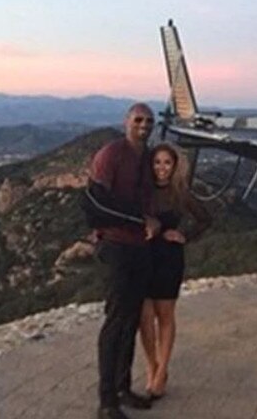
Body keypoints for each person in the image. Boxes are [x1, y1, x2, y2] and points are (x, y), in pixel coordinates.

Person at [84, 103, 161, 419]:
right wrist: (139, 220)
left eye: (149, 121)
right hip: (116, 246)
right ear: (126, 121)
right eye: (138, 120)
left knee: (131, 319)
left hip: (141, 248)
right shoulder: (111, 153)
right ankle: (106, 401)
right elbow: (96, 203)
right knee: (116, 320)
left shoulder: (147, 158)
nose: (144, 125)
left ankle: (123, 387)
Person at [139, 142, 212, 399]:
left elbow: (205, 218)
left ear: (175, 166)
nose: (161, 168)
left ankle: (161, 373)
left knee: (165, 315)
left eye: (167, 163)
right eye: (157, 162)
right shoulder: (143, 191)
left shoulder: (180, 193)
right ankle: (152, 366)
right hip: (144, 257)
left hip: (169, 258)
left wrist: (184, 235)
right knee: (144, 318)